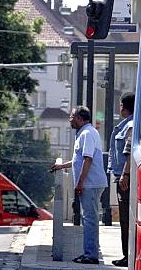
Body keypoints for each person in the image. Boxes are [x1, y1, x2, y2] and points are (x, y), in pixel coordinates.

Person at [49, 106, 108, 264]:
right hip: (89, 183)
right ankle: (88, 252)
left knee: (90, 219)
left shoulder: (87, 134)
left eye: (72, 116)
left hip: (91, 183)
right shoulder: (84, 133)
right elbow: (79, 160)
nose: (70, 119)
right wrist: (62, 166)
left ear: (81, 119)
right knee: (88, 218)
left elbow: (88, 159)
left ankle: (91, 255)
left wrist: (80, 183)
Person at [108, 93, 134, 267]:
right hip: (123, 176)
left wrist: (125, 175)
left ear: (124, 106)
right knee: (124, 219)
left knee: (125, 219)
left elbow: (129, 152)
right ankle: (127, 254)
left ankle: (128, 255)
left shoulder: (130, 126)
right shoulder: (126, 125)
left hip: (126, 178)